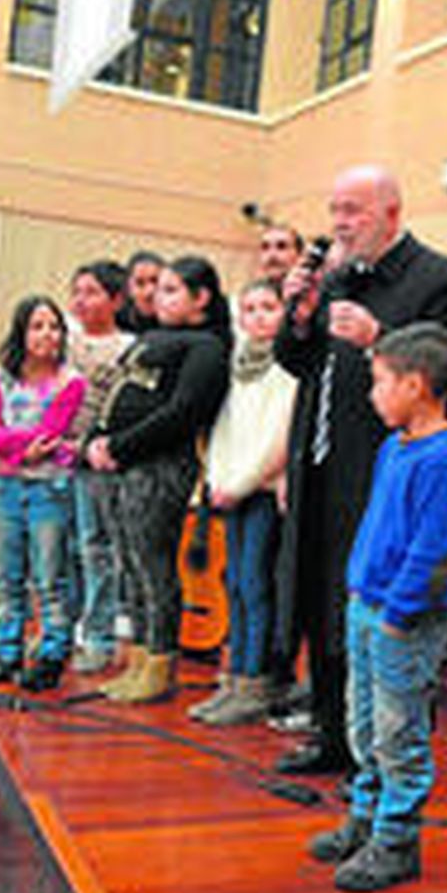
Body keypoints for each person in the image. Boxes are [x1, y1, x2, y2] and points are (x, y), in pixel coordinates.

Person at [273, 164, 447, 776]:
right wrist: (303, 315)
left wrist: (380, 338)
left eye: (353, 210)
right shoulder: (336, 277)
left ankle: (382, 761)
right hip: (317, 462)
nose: (338, 222)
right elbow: (294, 361)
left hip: (383, 471)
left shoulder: (440, 277)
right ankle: (332, 736)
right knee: (318, 597)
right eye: (334, 209)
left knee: (363, 607)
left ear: (392, 213)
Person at [306, 323, 447, 893]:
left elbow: (434, 553)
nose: (371, 394)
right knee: (364, 725)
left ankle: (397, 841)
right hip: (368, 606)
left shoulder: (445, 460)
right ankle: (366, 819)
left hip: (404, 618)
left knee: (398, 731)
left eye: (379, 382)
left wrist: (397, 614)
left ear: (417, 384)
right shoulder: (392, 446)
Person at [88, 256, 231, 704]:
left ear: (201, 298)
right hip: (119, 463)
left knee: (153, 567)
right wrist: (96, 439)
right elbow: (117, 393)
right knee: (127, 563)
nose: (155, 296)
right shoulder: (150, 337)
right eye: (155, 289)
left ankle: (161, 662)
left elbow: (182, 412)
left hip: (159, 466)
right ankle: (138, 657)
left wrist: (120, 446)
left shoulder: (206, 347)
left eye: (170, 290)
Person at [188, 278, 296, 726]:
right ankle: (232, 677)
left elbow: (279, 439)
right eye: (248, 308)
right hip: (229, 488)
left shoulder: (288, 367)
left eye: (268, 307)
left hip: (263, 490)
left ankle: (255, 682)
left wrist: (243, 483)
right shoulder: (236, 364)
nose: (257, 317)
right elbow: (224, 429)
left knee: (255, 583)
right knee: (232, 581)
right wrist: (216, 478)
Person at [0, 296, 86, 692]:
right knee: (6, 577)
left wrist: (7, 442)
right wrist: (19, 448)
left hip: (49, 489)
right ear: (22, 332)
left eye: (54, 326)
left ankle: (53, 654)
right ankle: (7, 653)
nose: (47, 334)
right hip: (4, 487)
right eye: (37, 326)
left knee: (50, 576)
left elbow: (50, 434)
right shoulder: (0, 377)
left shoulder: (71, 382)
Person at [63, 260, 134, 675]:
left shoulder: (128, 346)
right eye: (77, 291)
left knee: (96, 549)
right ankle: (61, 628)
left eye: (91, 292)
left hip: (95, 463)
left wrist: (88, 445)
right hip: (54, 459)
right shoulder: (62, 341)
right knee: (58, 548)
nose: (81, 300)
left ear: (115, 299)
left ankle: (99, 636)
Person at [117, 249, 164, 333]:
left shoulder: (182, 322)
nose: (150, 291)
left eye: (155, 281)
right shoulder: (116, 321)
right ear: (129, 288)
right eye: (140, 283)